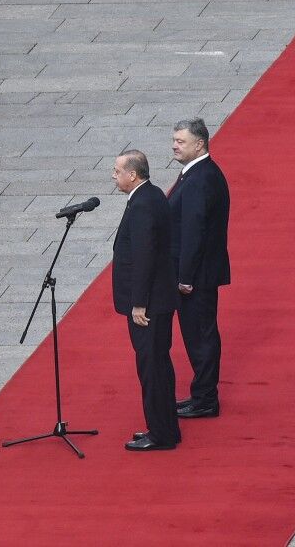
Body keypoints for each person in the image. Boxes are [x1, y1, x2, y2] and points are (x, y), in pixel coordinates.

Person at [110, 150, 179, 451]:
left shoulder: (142, 205)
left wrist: (138, 303)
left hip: (149, 305)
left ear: (133, 175)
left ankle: (160, 434)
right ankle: (165, 427)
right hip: (159, 298)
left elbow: (144, 256)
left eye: (117, 171)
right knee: (158, 364)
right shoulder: (152, 196)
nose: (114, 176)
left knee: (151, 367)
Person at [167, 118, 230, 419]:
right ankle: (201, 394)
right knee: (198, 334)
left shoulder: (201, 178)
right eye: (175, 140)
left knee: (200, 335)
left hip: (196, 276)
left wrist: (185, 277)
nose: (175, 145)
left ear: (200, 144)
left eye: (180, 141)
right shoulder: (197, 173)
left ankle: (205, 398)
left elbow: (194, 231)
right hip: (199, 271)